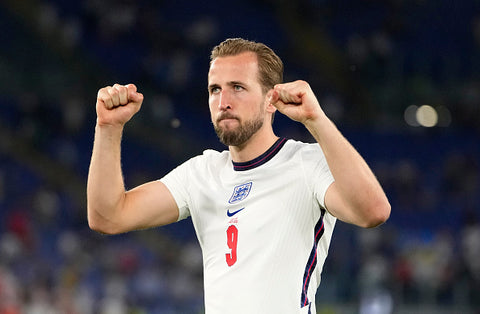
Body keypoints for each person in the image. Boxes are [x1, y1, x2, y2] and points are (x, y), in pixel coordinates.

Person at [87, 38, 390, 313]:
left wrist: (316, 120)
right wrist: (108, 128)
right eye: (214, 89)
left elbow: (372, 212)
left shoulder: (306, 163)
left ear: (272, 100)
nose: (223, 102)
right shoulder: (201, 173)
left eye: (238, 87)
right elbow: (108, 216)